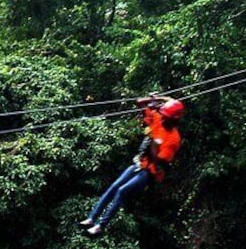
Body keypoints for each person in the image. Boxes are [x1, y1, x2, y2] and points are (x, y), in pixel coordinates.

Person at [79, 94, 184, 236]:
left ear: (173, 120)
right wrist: (157, 98)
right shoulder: (160, 119)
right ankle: (91, 218)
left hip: (151, 172)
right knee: (114, 186)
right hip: (140, 162)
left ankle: (100, 226)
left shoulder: (173, 139)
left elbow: (160, 162)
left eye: (166, 116)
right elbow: (139, 102)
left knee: (122, 191)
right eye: (163, 114)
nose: (162, 116)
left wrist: (153, 147)